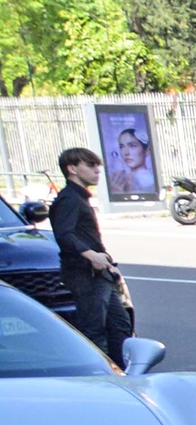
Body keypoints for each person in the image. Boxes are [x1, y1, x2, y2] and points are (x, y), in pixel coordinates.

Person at [52, 147, 131, 369]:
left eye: (97, 166)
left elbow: (88, 236)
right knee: (94, 329)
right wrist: (91, 255)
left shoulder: (79, 198)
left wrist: (106, 261)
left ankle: (123, 371)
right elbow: (64, 234)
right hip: (85, 275)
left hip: (100, 273)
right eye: (90, 165)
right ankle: (97, 374)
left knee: (120, 326)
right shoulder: (68, 200)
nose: (97, 171)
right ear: (72, 169)